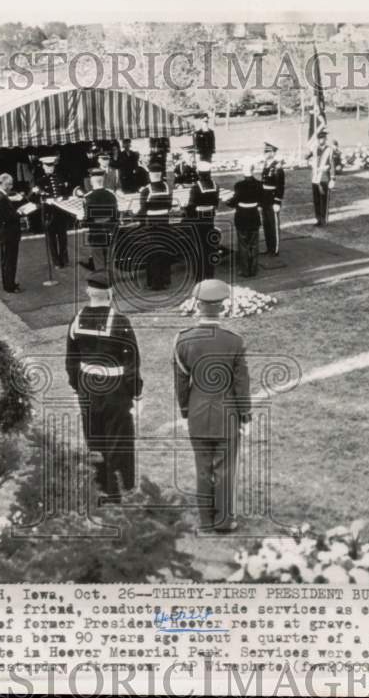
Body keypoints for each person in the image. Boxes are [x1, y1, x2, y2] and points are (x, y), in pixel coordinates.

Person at [173, 278, 252, 534]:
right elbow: (241, 384)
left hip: (197, 412)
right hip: (227, 414)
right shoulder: (234, 341)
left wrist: (185, 413)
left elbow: (181, 383)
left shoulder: (182, 340)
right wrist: (245, 416)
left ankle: (206, 521)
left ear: (198, 306)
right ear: (222, 307)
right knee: (225, 469)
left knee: (203, 468)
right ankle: (223, 522)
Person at [65, 274, 143, 504]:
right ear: (111, 293)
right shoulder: (120, 322)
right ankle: (117, 490)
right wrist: (136, 392)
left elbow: (71, 360)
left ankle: (99, 489)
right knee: (118, 440)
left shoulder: (76, 320)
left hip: (87, 388)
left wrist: (77, 387)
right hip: (115, 390)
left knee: (94, 440)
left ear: (88, 292)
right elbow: (131, 362)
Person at [137, 163, 173, 291]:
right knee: (164, 250)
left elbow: (142, 210)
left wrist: (136, 219)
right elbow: (169, 205)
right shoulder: (167, 187)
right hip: (165, 222)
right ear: (161, 174)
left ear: (150, 174)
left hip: (152, 223)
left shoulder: (147, 190)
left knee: (153, 253)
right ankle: (166, 279)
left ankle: (155, 282)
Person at [32, 155, 72, 268]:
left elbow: (67, 193)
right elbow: (35, 198)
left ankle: (64, 259)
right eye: (48, 166)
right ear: (43, 167)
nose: (50, 168)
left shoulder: (60, 178)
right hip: (49, 213)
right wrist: (45, 199)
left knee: (63, 237)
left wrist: (63, 198)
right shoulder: (40, 181)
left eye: (52, 166)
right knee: (52, 239)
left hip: (61, 211)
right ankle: (56, 261)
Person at [184, 159, 220, 281]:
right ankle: (210, 273)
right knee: (209, 246)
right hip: (210, 218)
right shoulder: (216, 186)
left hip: (198, 219)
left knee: (198, 247)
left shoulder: (196, 188)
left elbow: (191, 206)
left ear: (199, 173)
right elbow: (215, 203)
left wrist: (186, 211)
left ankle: (199, 275)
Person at [78, 168, 119, 274]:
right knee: (109, 259)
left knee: (99, 260)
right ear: (103, 180)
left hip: (96, 232)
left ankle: (101, 279)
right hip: (110, 230)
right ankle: (110, 278)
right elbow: (116, 215)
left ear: (92, 181)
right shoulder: (111, 195)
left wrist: (80, 220)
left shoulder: (88, 198)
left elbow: (87, 220)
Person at [226, 162, 264, 278]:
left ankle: (245, 270)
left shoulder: (239, 185)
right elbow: (262, 200)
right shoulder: (259, 184)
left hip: (242, 217)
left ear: (244, 171)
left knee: (243, 245)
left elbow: (234, 202)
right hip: (254, 216)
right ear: (253, 170)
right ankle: (253, 269)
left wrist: (227, 202)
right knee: (254, 244)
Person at [0, 173, 24, 293]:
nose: (10, 187)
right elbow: (9, 217)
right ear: (2, 184)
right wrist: (20, 213)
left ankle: (9, 283)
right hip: (8, 234)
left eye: (11, 184)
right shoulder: (1, 198)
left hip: (5, 233)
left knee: (7, 260)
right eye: (8, 184)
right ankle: (9, 286)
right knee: (9, 261)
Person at [305, 128, 336, 226]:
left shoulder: (329, 149)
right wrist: (309, 152)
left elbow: (332, 164)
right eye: (319, 138)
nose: (320, 140)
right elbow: (306, 157)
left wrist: (332, 178)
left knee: (324, 199)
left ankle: (324, 219)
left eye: (322, 138)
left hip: (324, 177)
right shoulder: (314, 148)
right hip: (315, 177)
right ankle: (318, 219)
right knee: (316, 200)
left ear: (325, 139)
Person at [260, 142, 285, 256]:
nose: (265, 153)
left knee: (273, 224)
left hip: (272, 198)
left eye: (268, 151)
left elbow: (280, 186)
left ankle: (275, 249)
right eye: (265, 151)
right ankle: (269, 247)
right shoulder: (266, 165)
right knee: (266, 224)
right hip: (264, 199)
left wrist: (277, 201)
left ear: (273, 153)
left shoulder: (277, 167)